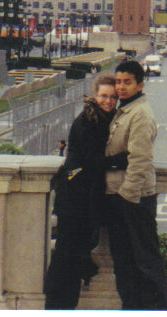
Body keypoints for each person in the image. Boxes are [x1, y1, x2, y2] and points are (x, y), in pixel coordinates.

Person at [44, 74, 127, 310]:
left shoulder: (103, 118)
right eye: (103, 96)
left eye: (112, 97)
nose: (108, 101)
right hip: (75, 199)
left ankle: (62, 304)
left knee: (74, 254)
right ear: (95, 95)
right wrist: (123, 160)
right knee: (67, 255)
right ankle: (56, 306)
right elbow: (91, 161)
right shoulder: (89, 121)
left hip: (82, 196)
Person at [104, 60, 167, 310]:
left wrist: (126, 196)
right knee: (124, 261)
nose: (121, 87)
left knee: (145, 261)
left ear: (140, 85)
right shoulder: (126, 109)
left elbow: (140, 160)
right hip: (121, 195)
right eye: (118, 81)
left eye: (127, 82)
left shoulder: (140, 113)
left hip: (134, 198)